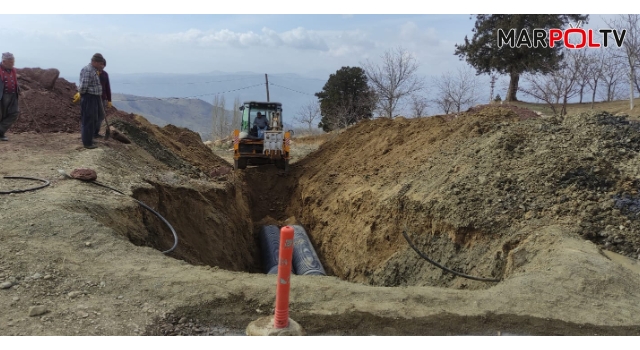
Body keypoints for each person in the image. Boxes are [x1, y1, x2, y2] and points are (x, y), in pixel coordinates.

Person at [77, 53, 105, 149]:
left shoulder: (94, 70)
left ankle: (89, 139)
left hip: (94, 97)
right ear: (94, 62)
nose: (101, 65)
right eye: (100, 63)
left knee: (93, 119)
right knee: (88, 119)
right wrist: (82, 94)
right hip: (89, 98)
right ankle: (87, 143)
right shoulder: (88, 70)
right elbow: (84, 86)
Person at [0, 52, 21, 141]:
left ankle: (0, 131)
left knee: (14, 113)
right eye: (10, 62)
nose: (12, 64)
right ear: (4, 62)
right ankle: (1, 134)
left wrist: (18, 89)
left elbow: (14, 81)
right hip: (2, 96)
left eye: (13, 62)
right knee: (2, 115)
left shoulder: (13, 70)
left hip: (13, 95)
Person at [95, 59, 112, 138]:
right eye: (100, 64)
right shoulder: (92, 74)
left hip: (103, 98)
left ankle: (96, 132)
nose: (102, 66)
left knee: (101, 116)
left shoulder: (105, 74)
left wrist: (109, 100)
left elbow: (107, 87)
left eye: (103, 65)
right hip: (93, 98)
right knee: (93, 116)